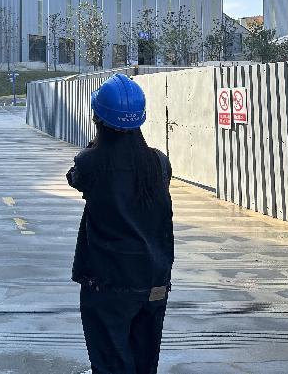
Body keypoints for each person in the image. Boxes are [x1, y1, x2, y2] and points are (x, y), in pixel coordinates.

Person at [66, 73, 174, 374]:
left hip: (108, 282)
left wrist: (93, 147)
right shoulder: (158, 162)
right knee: (144, 364)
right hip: (155, 279)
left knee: (111, 364)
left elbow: (75, 177)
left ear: (98, 119)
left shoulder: (90, 163)